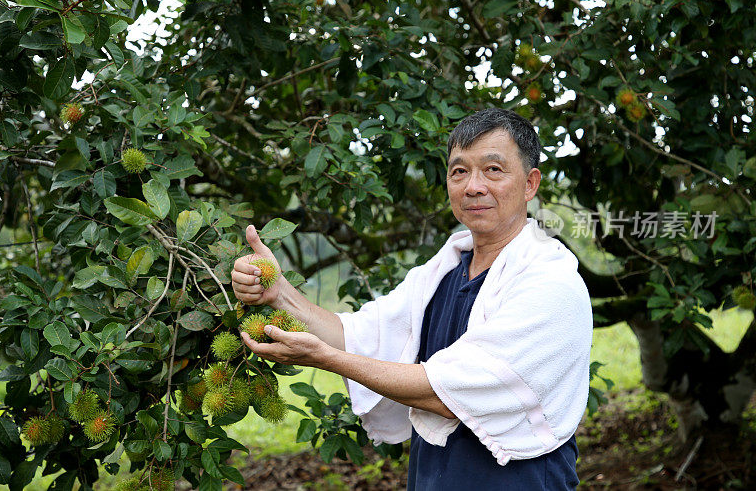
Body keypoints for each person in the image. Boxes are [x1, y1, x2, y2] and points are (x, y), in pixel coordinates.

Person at [231, 108, 592, 490]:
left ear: (530, 184)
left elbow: (445, 393)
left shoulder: (551, 284)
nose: (473, 186)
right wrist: (280, 293)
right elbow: (356, 334)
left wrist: (324, 359)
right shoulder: (441, 274)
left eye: (493, 170)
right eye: (459, 172)